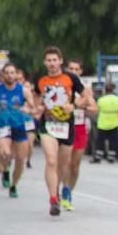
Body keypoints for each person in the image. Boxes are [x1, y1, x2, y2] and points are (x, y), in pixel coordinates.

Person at [33, 47, 86, 216]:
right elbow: (36, 99)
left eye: (54, 60)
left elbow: (87, 97)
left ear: (61, 61)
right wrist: (38, 107)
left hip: (66, 126)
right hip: (48, 125)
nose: (52, 63)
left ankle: (60, 189)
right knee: (51, 160)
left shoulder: (71, 78)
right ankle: (53, 199)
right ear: (44, 62)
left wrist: (74, 105)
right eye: (48, 60)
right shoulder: (40, 80)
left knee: (64, 166)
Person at [60, 59, 97, 210]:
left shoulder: (85, 89)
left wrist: (84, 108)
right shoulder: (62, 86)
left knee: (75, 166)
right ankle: (64, 191)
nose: (74, 72)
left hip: (80, 128)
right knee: (65, 163)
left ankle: (68, 191)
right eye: (71, 69)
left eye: (77, 69)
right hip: (63, 128)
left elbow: (94, 108)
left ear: (80, 71)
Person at [0, 63, 35, 197]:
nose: (10, 75)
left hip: (19, 126)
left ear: (16, 75)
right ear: (2, 75)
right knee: (5, 153)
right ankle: (5, 169)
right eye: (7, 73)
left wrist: (28, 109)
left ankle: (13, 185)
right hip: (2, 125)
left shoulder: (23, 90)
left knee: (20, 160)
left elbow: (33, 108)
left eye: (12, 73)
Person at [93, 83, 118, 163]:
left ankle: (98, 157)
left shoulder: (101, 100)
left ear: (105, 90)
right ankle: (111, 157)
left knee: (100, 141)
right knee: (113, 141)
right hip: (114, 122)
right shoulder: (117, 99)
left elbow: (97, 110)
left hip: (102, 123)